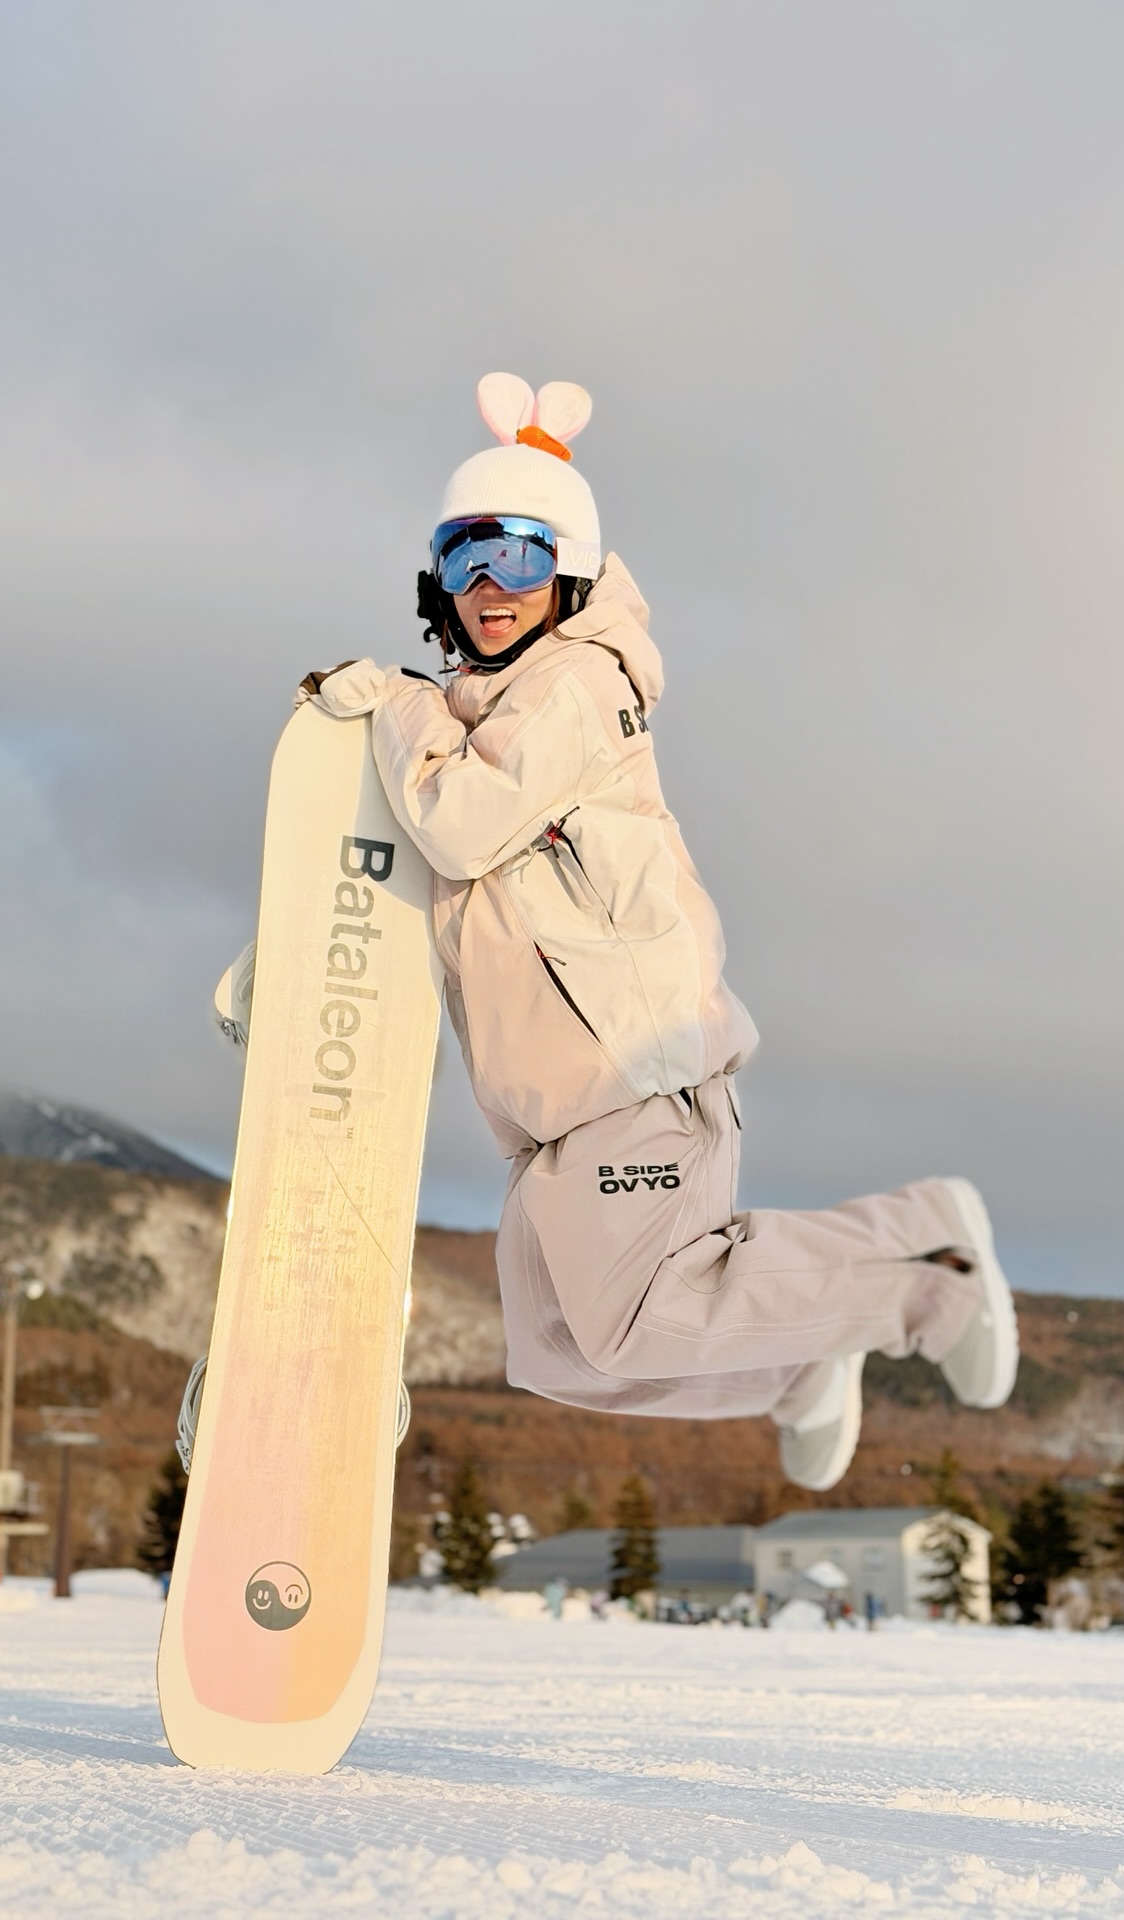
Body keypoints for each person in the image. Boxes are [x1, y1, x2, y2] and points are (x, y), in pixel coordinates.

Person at [297, 372, 1018, 1493]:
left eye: (520, 556)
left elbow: (462, 824)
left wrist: (396, 704)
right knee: (566, 1354)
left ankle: (930, 1274)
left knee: (639, 1319)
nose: (489, 585)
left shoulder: (578, 685)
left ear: (570, 571)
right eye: (464, 556)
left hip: (632, 1072)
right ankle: (797, 1362)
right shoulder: (486, 706)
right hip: (550, 1112)